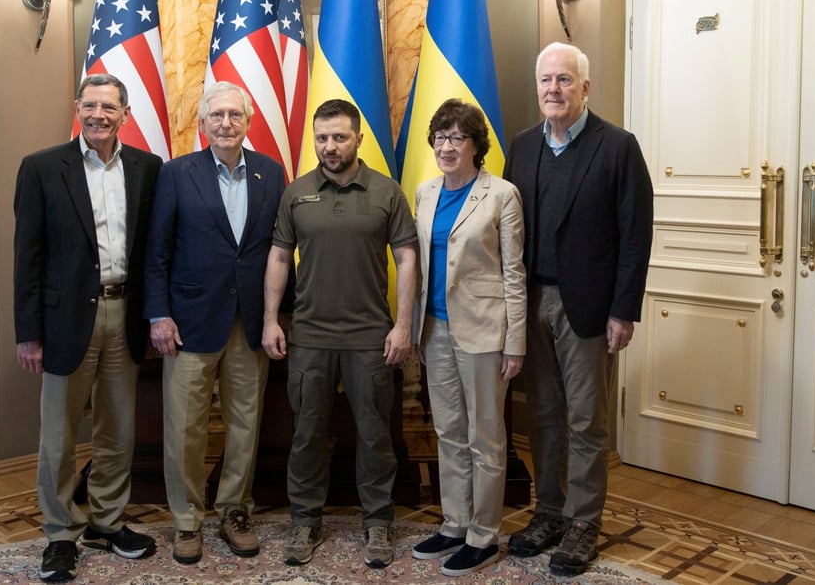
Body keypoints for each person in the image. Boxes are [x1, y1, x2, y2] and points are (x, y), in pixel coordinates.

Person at [502, 42, 653, 576]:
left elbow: (636, 237)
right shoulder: (520, 147)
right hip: (531, 301)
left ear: (585, 87)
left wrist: (623, 310)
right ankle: (549, 512)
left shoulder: (618, 147)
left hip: (588, 307)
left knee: (586, 421)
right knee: (541, 417)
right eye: (546, 81)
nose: (553, 90)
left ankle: (584, 521)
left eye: (564, 80)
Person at [13, 73, 163, 582]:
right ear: (78, 107)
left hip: (126, 313)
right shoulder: (41, 168)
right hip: (63, 320)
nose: (99, 114)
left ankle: (106, 520)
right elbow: (26, 257)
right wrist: (27, 332)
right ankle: (60, 532)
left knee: (118, 428)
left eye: (110, 106)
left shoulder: (148, 168)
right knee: (59, 432)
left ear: (126, 113)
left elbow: (152, 251)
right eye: (90, 105)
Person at [261, 99, 418, 570]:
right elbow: (277, 258)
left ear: (358, 139)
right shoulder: (296, 193)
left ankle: (377, 521)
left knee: (374, 436)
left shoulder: (387, 192)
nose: (330, 146)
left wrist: (404, 323)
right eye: (322, 138)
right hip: (309, 337)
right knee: (307, 434)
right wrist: (271, 319)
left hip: (371, 337)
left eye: (340, 137)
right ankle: (305, 519)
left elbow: (408, 258)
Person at [143, 81, 285, 565]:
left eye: (235, 116)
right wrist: (159, 314)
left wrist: (274, 317)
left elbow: (277, 252)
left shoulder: (271, 173)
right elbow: (157, 251)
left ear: (248, 122)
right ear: (203, 123)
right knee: (185, 427)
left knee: (246, 423)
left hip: (250, 323)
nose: (226, 124)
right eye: (217, 115)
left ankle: (235, 510)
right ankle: (186, 519)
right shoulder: (177, 174)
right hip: (189, 322)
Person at [408, 99, 527, 577]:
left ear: (477, 145)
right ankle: (454, 522)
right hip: (434, 329)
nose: (446, 146)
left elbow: (513, 273)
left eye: (457, 137)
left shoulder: (502, 195)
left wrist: (515, 341)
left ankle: (483, 534)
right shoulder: (424, 192)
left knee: (486, 438)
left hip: (485, 334)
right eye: (440, 137)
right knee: (449, 433)